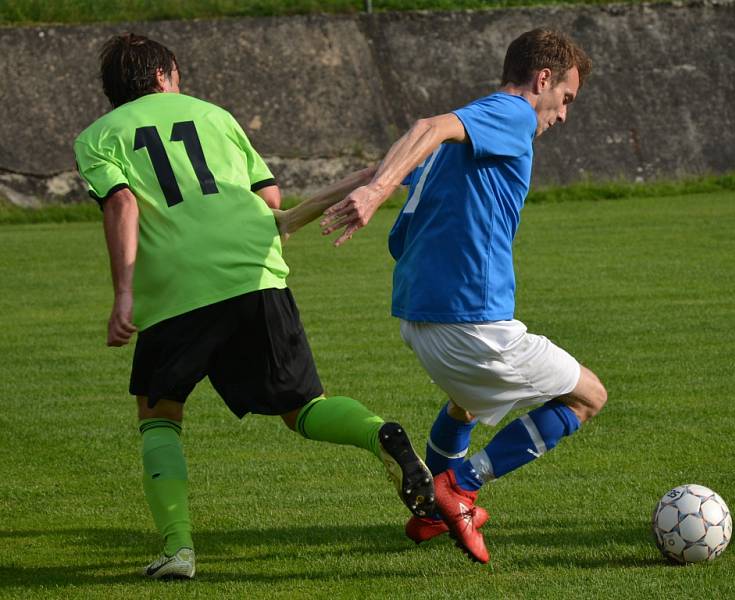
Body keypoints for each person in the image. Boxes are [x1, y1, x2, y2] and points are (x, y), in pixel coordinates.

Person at [73, 33, 434, 581]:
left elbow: (122, 202)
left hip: (179, 289)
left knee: (159, 412)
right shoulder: (215, 116)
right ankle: (377, 433)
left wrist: (123, 292)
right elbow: (268, 201)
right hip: (256, 271)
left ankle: (178, 549)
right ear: (164, 75)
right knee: (303, 407)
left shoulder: (97, 138)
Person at [309, 28, 608, 564]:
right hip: (472, 322)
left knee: (465, 405)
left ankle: (429, 510)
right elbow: (424, 129)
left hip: (418, 321)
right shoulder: (510, 114)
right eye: (565, 99)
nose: (563, 115)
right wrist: (377, 193)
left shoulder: (467, 136)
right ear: (542, 80)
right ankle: (461, 487)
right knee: (589, 397)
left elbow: (374, 166)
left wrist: (291, 217)